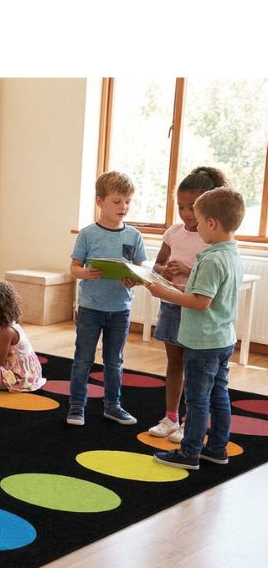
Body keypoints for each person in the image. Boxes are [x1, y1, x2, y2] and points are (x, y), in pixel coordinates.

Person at [148, 187, 245, 470]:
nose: (196, 225)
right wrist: (173, 286)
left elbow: (200, 302)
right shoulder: (231, 254)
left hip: (203, 342)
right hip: (223, 337)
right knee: (219, 394)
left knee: (197, 399)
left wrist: (163, 293)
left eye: (200, 221)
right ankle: (217, 448)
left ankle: (189, 452)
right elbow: (205, 292)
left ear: (212, 223)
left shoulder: (212, 258)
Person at [67, 170, 147, 426]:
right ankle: (77, 405)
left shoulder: (134, 235)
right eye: (117, 201)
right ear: (100, 201)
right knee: (83, 359)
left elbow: (141, 269)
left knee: (115, 361)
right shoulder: (89, 233)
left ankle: (113, 405)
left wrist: (134, 278)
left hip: (120, 310)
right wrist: (86, 273)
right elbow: (74, 267)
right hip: (91, 308)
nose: (123, 207)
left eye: (127, 201)